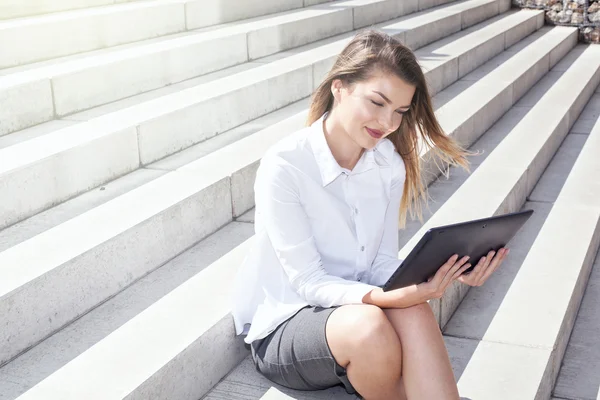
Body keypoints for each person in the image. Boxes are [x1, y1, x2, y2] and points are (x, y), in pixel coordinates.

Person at [232, 29, 510, 400]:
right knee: (371, 325)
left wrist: (446, 272)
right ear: (340, 88)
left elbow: (380, 263)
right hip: (288, 322)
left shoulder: (387, 165)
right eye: (377, 102)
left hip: (355, 308)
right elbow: (309, 281)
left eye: (399, 111)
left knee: (412, 310)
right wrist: (387, 299)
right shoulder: (287, 165)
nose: (388, 123)